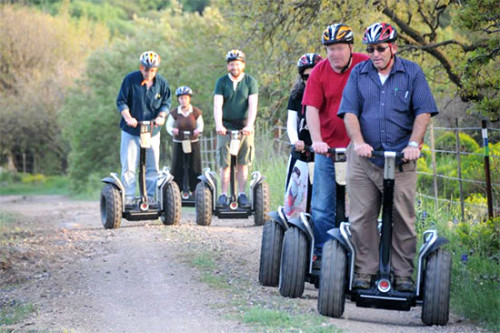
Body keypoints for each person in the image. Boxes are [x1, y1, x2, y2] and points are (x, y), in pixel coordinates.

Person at [337, 22, 439, 291]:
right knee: (361, 217)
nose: (375, 54)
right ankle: (365, 271)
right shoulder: (359, 73)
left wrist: (414, 144)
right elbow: (349, 112)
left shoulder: (412, 73)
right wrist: (358, 143)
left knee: (402, 217)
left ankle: (403, 274)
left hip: (401, 160)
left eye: (380, 48)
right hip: (364, 160)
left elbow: (423, 111)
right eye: (370, 49)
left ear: (392, 47)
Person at [302, 24, 369, 261]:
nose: (335, 54)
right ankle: (323, 254)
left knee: (362, 207)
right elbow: (311, 109)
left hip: (359, 151)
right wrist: (317, 141)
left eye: (339, 48)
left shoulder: (365, 65)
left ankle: (360, 257)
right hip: (328, 149)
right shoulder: (319, 71)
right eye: (330, 49)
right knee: (321, 207)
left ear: (350, 47)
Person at [116, 51, 172, 207]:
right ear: (141, 68)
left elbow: (166, 102)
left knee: (153, 166)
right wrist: (128, 118)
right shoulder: (130, 80)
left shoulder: (161, 83)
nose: (149, 73)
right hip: (131, 131)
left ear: (156, 70)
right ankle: (127, 198)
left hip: (152, 131)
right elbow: (121, 101)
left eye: (152, 70)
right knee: (129, 165)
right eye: (146, 69)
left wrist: (161, 116)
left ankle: (151, 198)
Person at [213, 49, 258, 208]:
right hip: (226, 126)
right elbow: (218, 105)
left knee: (242, 163)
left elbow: (253, 105)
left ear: (243, 65)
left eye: (237, 64)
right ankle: (223, 194)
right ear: (228, 66)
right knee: (225, 163)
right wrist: (219, 125)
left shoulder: (250, 81)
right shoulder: (222, 82)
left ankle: (242, 194)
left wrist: (249, 125)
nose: (234, 67)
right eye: (232, 64)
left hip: (244, 127)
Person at [166, 86, 204, 194]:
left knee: (194, 165)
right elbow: (168, 126)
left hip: (192, 141)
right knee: (177, 165)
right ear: (178, 99)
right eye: (181, 98)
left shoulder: (195, 112)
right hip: (179, 141)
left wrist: (198, 131)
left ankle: (195, 189)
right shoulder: (175, 112)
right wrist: (172, 130)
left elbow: (200, 125)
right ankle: (177, 189)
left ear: (189, 99)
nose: (183, 100)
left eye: (185, 98)